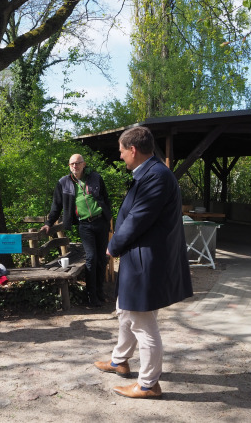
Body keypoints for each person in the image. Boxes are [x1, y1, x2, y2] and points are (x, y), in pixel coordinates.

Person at [94, 126, 193, 399]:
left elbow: (138, 218)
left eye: (121, 151)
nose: (120, 156)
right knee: (127, 312)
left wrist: (112, 246)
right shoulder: (150, 173)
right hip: (139, 258)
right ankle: (120, 361)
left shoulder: (156, 176)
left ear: (133, 149)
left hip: (146, 261)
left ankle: (149, 384)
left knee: (142, 321)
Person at [41, 154, 112, 308]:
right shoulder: (63, 182)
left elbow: (105, 198)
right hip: (84, 225)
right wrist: (48, 223)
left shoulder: (95, 178)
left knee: (101, 258)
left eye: (78, 163)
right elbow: (56, 205)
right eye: (72, 164)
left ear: (84, 164)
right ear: (69, 166)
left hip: (101, 222)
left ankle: (100, 292)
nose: (75, 166)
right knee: (91, 257)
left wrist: (108, 215)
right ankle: (91, 296)